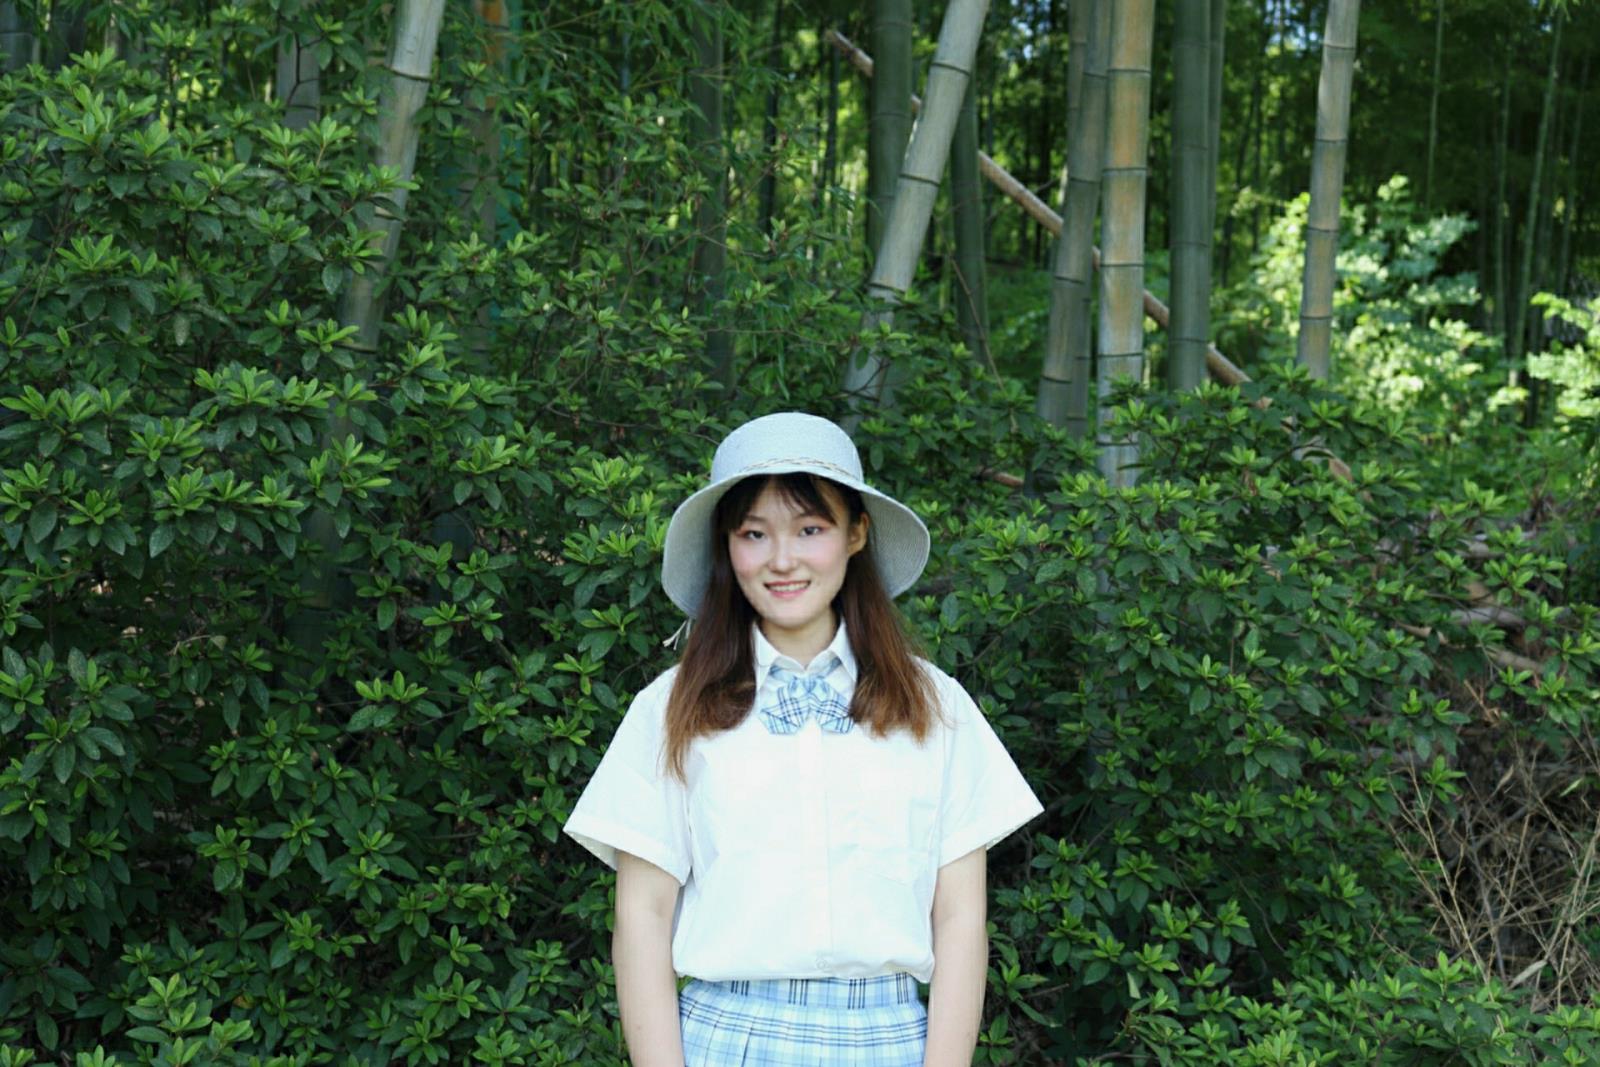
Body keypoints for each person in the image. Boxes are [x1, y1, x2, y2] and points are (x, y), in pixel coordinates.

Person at [564, 412, 1043, 1067]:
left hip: (891, 1042)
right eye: (754, 533)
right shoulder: (671, 709)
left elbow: (960, 918)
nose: (782, 559)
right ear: (727, 546)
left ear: (856, 533)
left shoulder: (936, 707)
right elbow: (642, 915)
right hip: (723, 1038)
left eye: (810, 529)